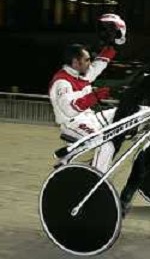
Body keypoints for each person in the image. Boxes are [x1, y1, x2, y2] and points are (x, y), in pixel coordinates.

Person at [48, 14, 127, 172]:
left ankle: (68, 158)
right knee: (105, 144)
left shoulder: (81, 74)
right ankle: (95, 179)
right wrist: (96, 95)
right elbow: (70, 109)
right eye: (87, 60)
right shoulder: (61, 82)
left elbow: (101, 62)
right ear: (76, 62)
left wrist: (118, 40)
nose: (91, 62)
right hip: (72, 123)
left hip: (90, 119)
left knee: (129, 112)